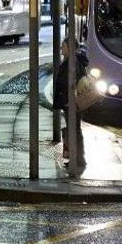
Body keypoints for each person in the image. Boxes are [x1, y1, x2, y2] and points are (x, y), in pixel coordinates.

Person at [52, 38, 86, 171]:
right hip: (71, 102)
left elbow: (71, 83)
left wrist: (67, 100)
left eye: (63, 47)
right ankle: (77, 158)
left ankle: (77, 159)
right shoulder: (72, 61)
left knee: (74, 130)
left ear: (70, 48)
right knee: (74, 129)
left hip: (71, 103)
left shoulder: (73, 63)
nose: (61, 49)